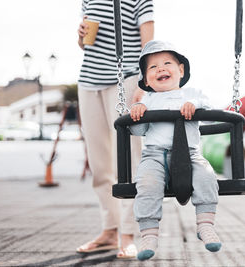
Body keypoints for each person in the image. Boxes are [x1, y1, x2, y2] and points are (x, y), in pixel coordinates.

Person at [75, 0, 154, 259]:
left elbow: (149, 42)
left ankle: (128, 234)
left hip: (125, 77)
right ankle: (109, 230)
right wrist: (80, 37)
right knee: (99, 163)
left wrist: (144, 83)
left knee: (128, 160)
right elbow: (86, 44)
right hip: (88, 81)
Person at [130, 40, 221, 261]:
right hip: (155, 155)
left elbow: (207, 108)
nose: (160, 68)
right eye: (153, 67)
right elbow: (138, 130)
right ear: (146, 80)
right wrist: (137, 111)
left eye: (167, 63)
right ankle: (149, 233)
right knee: (147, 184)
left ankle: (205, 225)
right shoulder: (147, 100)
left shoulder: (193, 93)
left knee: (207, 178)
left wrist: (194, 105)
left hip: (190, 154)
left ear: (180, 70)